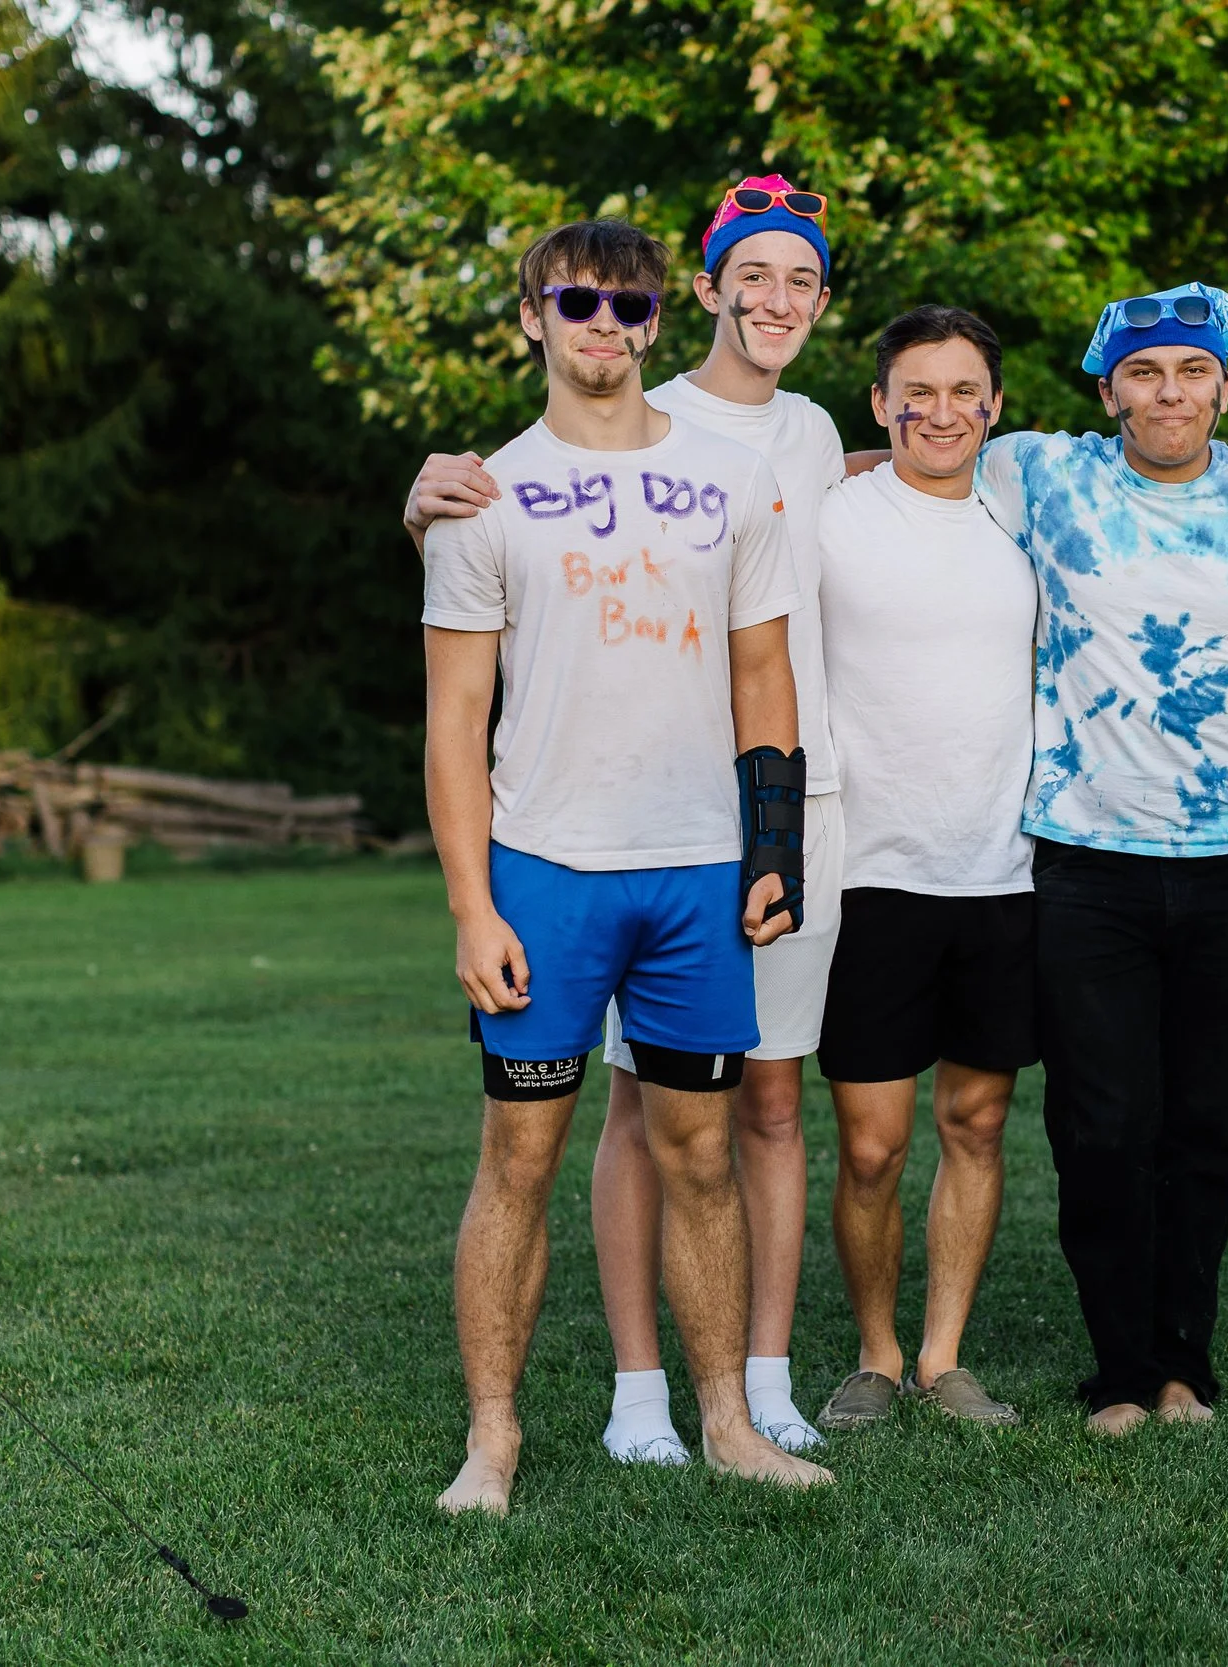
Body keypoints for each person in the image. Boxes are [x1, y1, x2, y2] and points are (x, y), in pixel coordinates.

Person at [403, 177, 845, 1458]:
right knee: (518, 1161)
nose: (604, 322)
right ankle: (492, 1440)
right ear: (531, 318)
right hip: (546, 871)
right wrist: (472, 905)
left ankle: (728, 1425)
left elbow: (764, 676)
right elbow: (452, 724)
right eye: (576, 301)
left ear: (658, 319)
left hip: (698, 869)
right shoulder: (483, 496)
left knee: (701, 1155)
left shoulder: (734, 479)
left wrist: (773, 851)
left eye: (628, 304)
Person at [973, 283, 1228, 1436]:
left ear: (1224, 385)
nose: (1169, 391)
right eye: (1144, 372)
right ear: (1108, 390)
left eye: (1191, 371)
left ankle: (1183, 1361)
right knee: (1100, 1123)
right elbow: (907, 464)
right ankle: (1119, 1367)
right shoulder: (1038, 473)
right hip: (1085, 854)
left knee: (1207, 1125)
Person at [810, 306, 1036, 1431]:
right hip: (866, 872)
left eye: (961, 391)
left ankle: (943, 1358)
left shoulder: (1025, 512)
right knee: (870, 1144)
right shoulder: (829, 510)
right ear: (881, 403)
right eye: (917, 392)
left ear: (993, 405)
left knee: (976, 1124)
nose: (939, 412)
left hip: (1004, 870)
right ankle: (875, 1352)